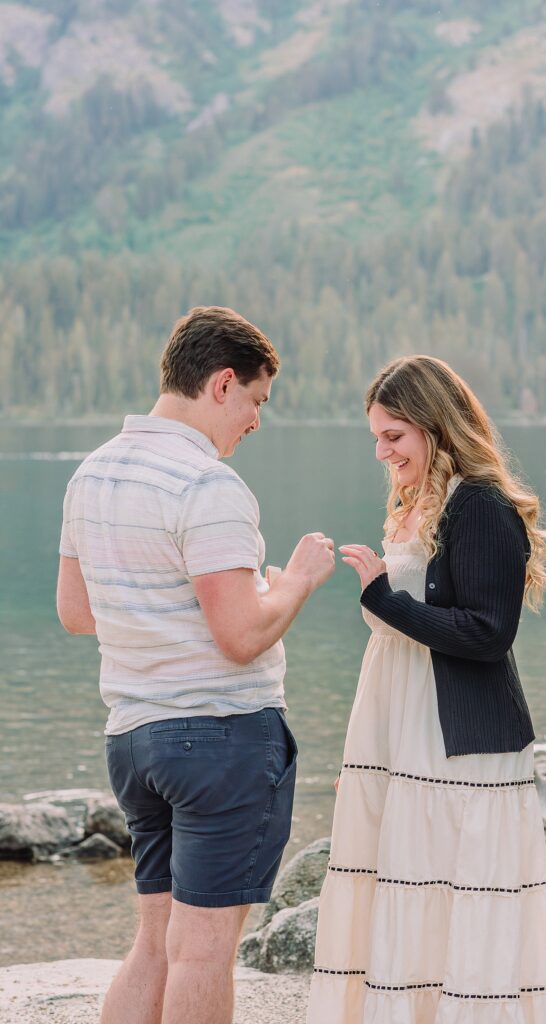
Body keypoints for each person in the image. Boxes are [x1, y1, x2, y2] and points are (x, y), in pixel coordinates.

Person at [56, 306, 335, 1024]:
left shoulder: (91, 474)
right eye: (256, 400)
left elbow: (77, 612)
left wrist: (160, 614)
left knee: (156, 942)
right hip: (220, 737)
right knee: (205, 951)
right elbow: (240, 638)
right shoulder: (207, 485)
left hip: (133, 739)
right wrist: (296, 583)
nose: (256, 420)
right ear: (222, 383)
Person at [308, 356, 546, 1024]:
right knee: (406, 885)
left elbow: (488, 633)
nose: (382, 452)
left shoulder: (480, 504)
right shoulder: (420, 502)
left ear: (434, 425)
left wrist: (383, 599)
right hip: (405, 726)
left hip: (460, 742)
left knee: (457, 894)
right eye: (376, 437)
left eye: (394, 435)